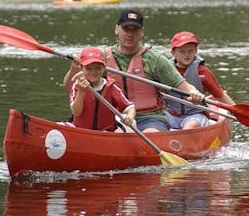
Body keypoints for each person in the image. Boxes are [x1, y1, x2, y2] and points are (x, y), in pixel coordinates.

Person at [63, 9, 205, 132]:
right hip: (114, 117)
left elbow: (183, 86)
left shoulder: (154, 59)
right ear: (117, 29)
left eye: (134, 30)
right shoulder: (101, 59)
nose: (130, 34)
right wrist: (74, 68)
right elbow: (70, 88)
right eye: (126, 29)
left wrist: (194, 93)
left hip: (150, 118)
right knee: (119, 134)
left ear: (141, 32)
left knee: (151, 134)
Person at [165, 31, 235, 129]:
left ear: (195, 51)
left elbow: (219, 94)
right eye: (182, 51)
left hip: (195, 115)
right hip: (171, 115)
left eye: (190, 51)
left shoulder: (203, 72)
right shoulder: (164, 70)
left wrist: (237, 111)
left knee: (190, 126)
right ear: (173, 53)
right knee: (156, 123)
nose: (187, 55)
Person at [69, 46, 136, 131]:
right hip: (82, 131)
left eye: (98, 68)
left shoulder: (111, 87)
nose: (93, 72)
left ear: (104, 68)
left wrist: (130, 116)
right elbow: (76, 112)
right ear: (81, 68)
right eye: (88, 69)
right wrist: (81, 91)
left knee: (133, 123)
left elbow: (130, 107)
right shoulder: (77, 86)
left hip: (106, 133)